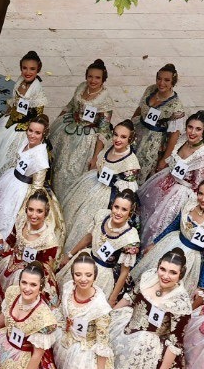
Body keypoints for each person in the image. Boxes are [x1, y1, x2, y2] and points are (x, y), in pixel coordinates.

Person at [59, 119, 140, 254]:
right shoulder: (109, 146)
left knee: (86, 224)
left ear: (130, 139)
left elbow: (127, 192)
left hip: (106, 197)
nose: (117, 139)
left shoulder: (131, 163)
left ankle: (73, 253)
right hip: (92, 183)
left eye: (123, 137)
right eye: (116, 134)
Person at [136, 178, 204, 292]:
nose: (203, 199)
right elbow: (173, 226)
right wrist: (155, 243)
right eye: (200, 194)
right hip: (170, 245)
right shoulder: (190, 205)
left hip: (189, 260)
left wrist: (202, 286)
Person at [49, 59, 119, 202]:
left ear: (103, 79)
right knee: (58, 165)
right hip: (68, 128)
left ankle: (66, 201)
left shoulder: (105, 101)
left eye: (97, 78)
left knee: (72, 171)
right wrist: (56, 122)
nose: (93, 80)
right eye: (90, 76)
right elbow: (70, 106)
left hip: (87, 137)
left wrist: (95, 157)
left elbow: (103, 131)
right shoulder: (82, 87)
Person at [138, 111, 204, 244]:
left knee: (158, 224)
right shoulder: (184, 139)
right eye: (190, 127)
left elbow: (198, 186)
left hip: (180, 193)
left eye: (198, 129)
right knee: (147, 211)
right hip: (166, 178)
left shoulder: (203, 155)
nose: (193, 132)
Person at [0, 190, 63, 318]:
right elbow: (10, 241)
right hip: (10, 262)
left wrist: (25, 269)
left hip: (33, 275)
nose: (33, 215)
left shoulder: (49, 240)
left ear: (46, 213)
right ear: (26, 209)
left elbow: (46, 268)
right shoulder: (22, 221)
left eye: (39, 211)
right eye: (30, 210)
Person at [58, 191, 141, 306]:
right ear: (112, 206)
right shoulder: (102, 216)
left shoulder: (130, 238)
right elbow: (88, 238)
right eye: (116, 207)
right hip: (86, 259)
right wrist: (70, 255)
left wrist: (112, 298)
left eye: (124, 209)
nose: (118, 212)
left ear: (130, 212)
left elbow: (124, 272)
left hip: (103, 275)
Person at [0, 114, 54, 235]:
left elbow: (37, 186)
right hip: (12, 179)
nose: (32, 135)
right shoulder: (26, 141)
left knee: (7, 217)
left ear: (43, 135)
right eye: (30, 130)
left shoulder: (40, 156)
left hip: (21, 189)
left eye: (37, 133)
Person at [0, 51, 47, 182]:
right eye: (24, 68)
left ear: (38, 69)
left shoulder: (37, 89)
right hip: (12, 119)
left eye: (32, 69)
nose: (28, 72)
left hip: (26, 126)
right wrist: (9, 111)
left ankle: (5, 178)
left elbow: (39, 114)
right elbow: (15, 100)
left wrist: (27, 127)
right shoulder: (20, 81)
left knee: (11, 152)